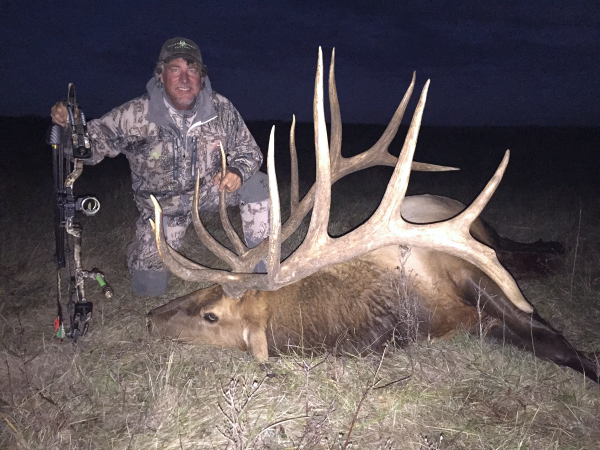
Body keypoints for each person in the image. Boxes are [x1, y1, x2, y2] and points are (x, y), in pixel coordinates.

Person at [51, 37, 270, 297]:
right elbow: (90, 150)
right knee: (149, 290)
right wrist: (70, 128)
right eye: (175, 69)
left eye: (192, 70)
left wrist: (236, 171)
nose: (185, 79)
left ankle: (261, 269)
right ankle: (138, 252)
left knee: (258, 183)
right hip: (163, 209)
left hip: (210, 193)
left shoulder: (221, 108)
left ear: (202, 77)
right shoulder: (135, 114)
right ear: (161, 75)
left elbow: (250, 151)